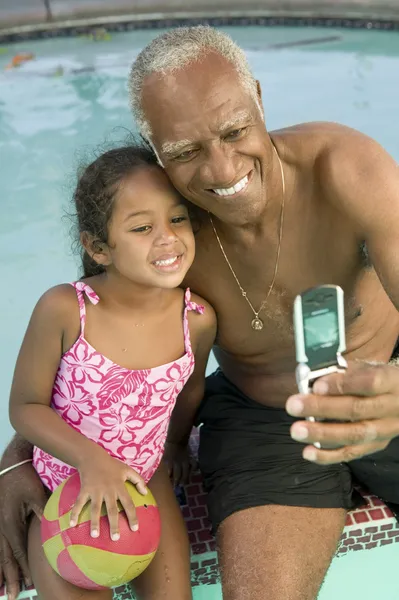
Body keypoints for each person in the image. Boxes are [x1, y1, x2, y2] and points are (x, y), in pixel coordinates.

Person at [2, 25, 399, 600]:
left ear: (259, 98)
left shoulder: (345, 169)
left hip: (383, 381)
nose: (219, 170)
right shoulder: (165, 231)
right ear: (156, 147)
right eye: (186, 151)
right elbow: (87, 347)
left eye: (235, 130)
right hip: (263, 419)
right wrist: (18, 462)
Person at [5, 143, 216, 600]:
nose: (167, 238)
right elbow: (24, 406)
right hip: (64, 485)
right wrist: (92, 460)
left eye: (178, 219)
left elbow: (189, 392)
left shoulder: (195, 319)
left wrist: (177, 445)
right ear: (98, 247)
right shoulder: (66, 309)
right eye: (142, 227)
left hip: (146, 479)